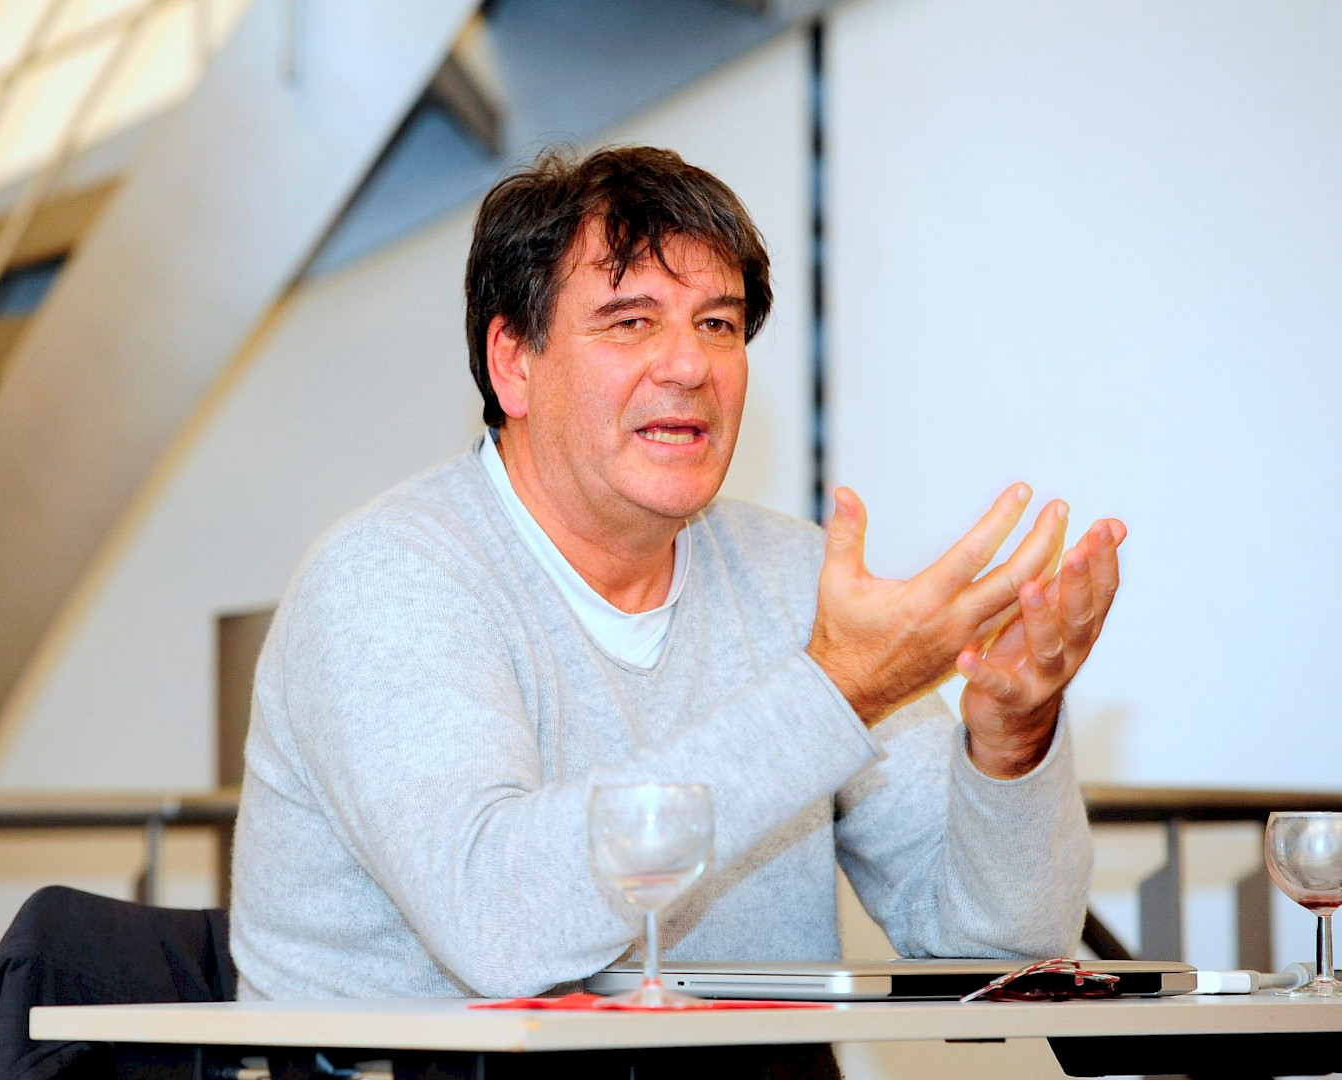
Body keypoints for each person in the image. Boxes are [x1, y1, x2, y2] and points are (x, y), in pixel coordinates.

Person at [229, 146, 1122, 1008]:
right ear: (514, 363)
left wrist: (1011, 748)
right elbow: (500, 925)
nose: (690, 365)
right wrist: (837, 692)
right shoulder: (387, 578)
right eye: (632, 322)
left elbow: (1000, 953)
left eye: (718, 324)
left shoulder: (795, 577)